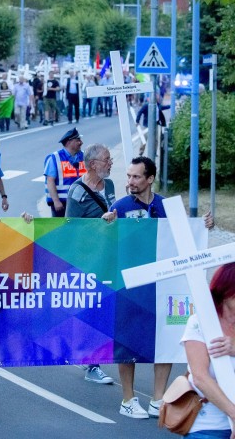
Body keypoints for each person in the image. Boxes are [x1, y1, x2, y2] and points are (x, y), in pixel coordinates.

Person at [110, 156, 215, 419]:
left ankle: (158, 398)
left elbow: (186, 236)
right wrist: (106, 224)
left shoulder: (167, 207)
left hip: (163, 284)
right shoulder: (119, 207)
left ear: (149, 179)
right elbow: (106, 243)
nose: (130, 182)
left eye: (136, 177)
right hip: (129, 285)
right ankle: (127, 399)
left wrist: (203, 226)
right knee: (128, 341)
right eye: (129, 176)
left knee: (165, 338)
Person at [65, 143, 117, 385]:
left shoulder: (113, 186)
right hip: (89, 261)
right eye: (107, 159)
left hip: (110, 258)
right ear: (94, 164)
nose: (111, 162)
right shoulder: (77, 192)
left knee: (105, 310)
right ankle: (92, 364)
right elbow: (71, 228)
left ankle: (90, 356)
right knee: (93, 310)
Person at [180, 262, 235, 438]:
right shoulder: (199, 322)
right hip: (208, 424)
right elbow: (200, 377)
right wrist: (234, 414)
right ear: (225, 291)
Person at [44, 127, 86, 217]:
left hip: (81, 201)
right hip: (62, 204)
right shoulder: (55, 158)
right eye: (78, 140)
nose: (81, 142)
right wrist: (56, 201)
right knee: (61, 229)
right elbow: (50, 181)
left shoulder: (84, 156)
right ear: (68, 142)